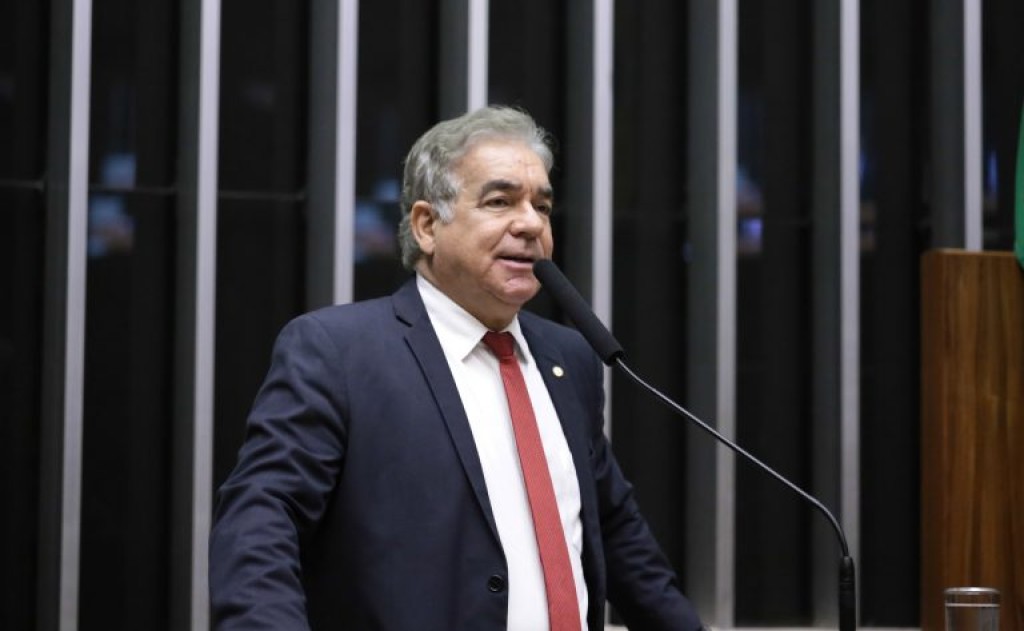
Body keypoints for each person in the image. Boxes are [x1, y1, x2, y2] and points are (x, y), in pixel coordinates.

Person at [209, 105, 703, 631]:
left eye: (542, 205)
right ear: (427, 225)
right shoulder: (339, 352)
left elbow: (618, 535)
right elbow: (262, 519)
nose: (531, 224)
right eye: (500, 201)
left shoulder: (570, 357)